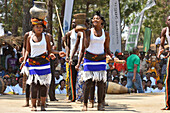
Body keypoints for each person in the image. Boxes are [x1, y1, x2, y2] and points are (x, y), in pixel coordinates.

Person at [76, 11, 113, 111]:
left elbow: (107, 49)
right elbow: (85, 47)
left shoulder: (106, 34)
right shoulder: (88, 32)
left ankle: (100, 103)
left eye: (97, 18)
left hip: (101, 59)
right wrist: (78, 63)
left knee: (101, 83)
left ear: (101, 21)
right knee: (88, 82)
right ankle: (85, 103)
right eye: (93, 18)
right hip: (89, 59)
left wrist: (112, 57)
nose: (95, 20)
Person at [20, 18, 57, 111]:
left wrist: (55, 53)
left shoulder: (47, 36)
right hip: (33, 63)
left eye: (41, 27)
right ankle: (33, 105)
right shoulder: (29, 37)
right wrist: (24, 60)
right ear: (33, 27)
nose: (39, 28)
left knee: (44, 85)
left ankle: (43, 105)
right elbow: (28, 50)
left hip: (44, 63)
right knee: (34, 84)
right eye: (37, 26)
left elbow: (49, 50)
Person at [63, 19, 81, 102]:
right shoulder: (69, 33)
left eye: (75, 22)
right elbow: (67, 46)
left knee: (81, 78)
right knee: (72, 77)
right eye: (72, 22)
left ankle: (81, 96)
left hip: (82, 57)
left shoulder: (84, 33)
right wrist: (67, 55)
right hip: (73, 57)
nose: (73, 24)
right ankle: (72, 96)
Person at [157, 15, 170, 110]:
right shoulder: (165, 31)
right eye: (169, 20)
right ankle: (168, 104)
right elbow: (161, 45)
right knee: (168, 80)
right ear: (166, 22)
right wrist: (160, 50)